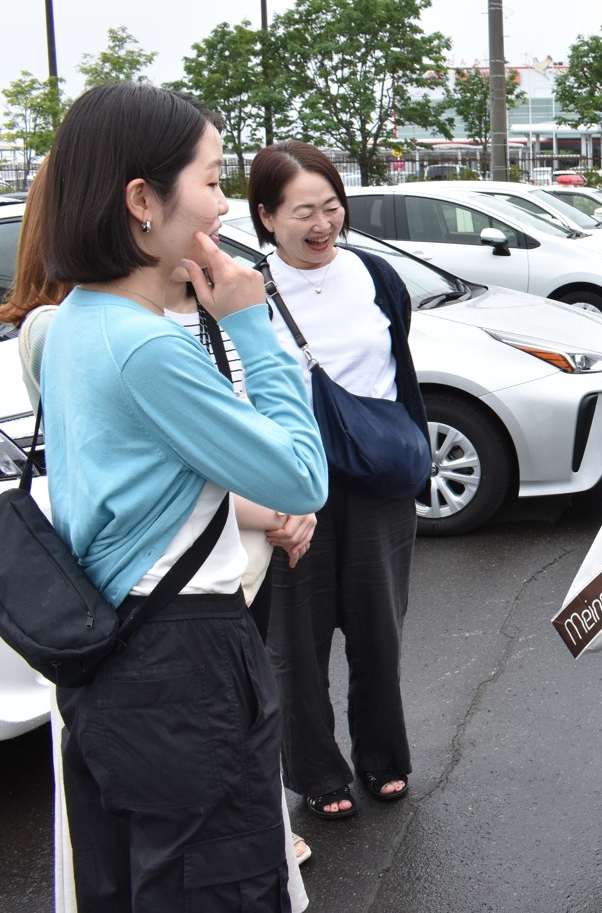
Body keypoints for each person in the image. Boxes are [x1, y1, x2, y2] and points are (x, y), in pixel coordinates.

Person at [36, 81, 327, 910]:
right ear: (142, 201)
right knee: (221, 884)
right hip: (184, 666)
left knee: (139, 882)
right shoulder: (147, 349)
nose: (225, 203)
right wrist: (251, 326)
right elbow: (302, 475)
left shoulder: (76, 320)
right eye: (211, 178)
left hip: (114, 654)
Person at [250, 140, 424, 821]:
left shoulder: (374, 273)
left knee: (380, 633)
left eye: (331, 207)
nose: (322, 225)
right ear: (266, 217)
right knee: (296, 644)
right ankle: (318, 773)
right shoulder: (245, 291)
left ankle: (383, 757)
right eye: (302, 213)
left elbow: (396, 365)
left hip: (378, 483)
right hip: (294, 488)